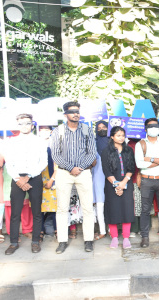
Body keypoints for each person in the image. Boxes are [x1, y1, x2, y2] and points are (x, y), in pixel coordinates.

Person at [50, 101, 97, 254]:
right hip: (64, 173)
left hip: (83, 173)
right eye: (72, 111)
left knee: (88, 208)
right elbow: (55, 154)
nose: (75, 114)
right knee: (62, 209)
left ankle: (88, 241)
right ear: (65, 115)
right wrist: (71, 168)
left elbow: (92, 153)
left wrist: (80, 168)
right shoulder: (58, 131)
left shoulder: (87, 130)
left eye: (77, 111)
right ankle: (62, 241)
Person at [4, 114, 47, 255]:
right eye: (21, 123)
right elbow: (9, 163)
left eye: (27, 123)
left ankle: (35, 242)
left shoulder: (40, 141)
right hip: (17, 177)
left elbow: (43, 162)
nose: (24, 126)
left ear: (32, 125)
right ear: (17, 125)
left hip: (34, 177)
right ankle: (13, 243)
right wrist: (19, 180)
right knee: (15, 212)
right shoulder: (11, 142)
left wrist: (28, 177)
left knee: (36, 212)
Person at [134, 118, 159, 248]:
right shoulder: (140, 144)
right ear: (146, 129)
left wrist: (149, 159)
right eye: (150, 126)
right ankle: (145, 237)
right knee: (145, 210)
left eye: (156, 126)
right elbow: (139, 164)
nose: (154, 128)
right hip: (146, 180)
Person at [101, 126, 135, 248]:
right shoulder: (106, 151)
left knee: (127, 210)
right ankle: (114, 237)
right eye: (118, 135)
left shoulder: (129, 150)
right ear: (112, 137)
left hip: (127, 182)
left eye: (122, 135)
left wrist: (123, 183)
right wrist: (116, 185)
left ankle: (126, 238)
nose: (121, 137)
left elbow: (131, 168)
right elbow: (106, 171)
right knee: (112, 210)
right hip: (111, 185)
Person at [39, 126, 57, 238]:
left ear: (51, 132)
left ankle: (57, 229)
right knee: (38, 206)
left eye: (46, 130)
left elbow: (58, 164)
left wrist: (52, 180)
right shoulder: (35, 143)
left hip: (53, 177)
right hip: (38, 177)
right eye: (42, 130)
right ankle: (40, 230)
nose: (44, 132)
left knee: (56, 206)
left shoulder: (55, 144)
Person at [93, 120, 108, 240]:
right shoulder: (93, 143)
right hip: (97, 177)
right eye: (99, 127)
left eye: (104, 127)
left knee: (111, 203)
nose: (101, 129)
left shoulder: (113, 143)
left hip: (112, 176)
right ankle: (102, 230)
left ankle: (111, 230)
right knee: (99, 204)